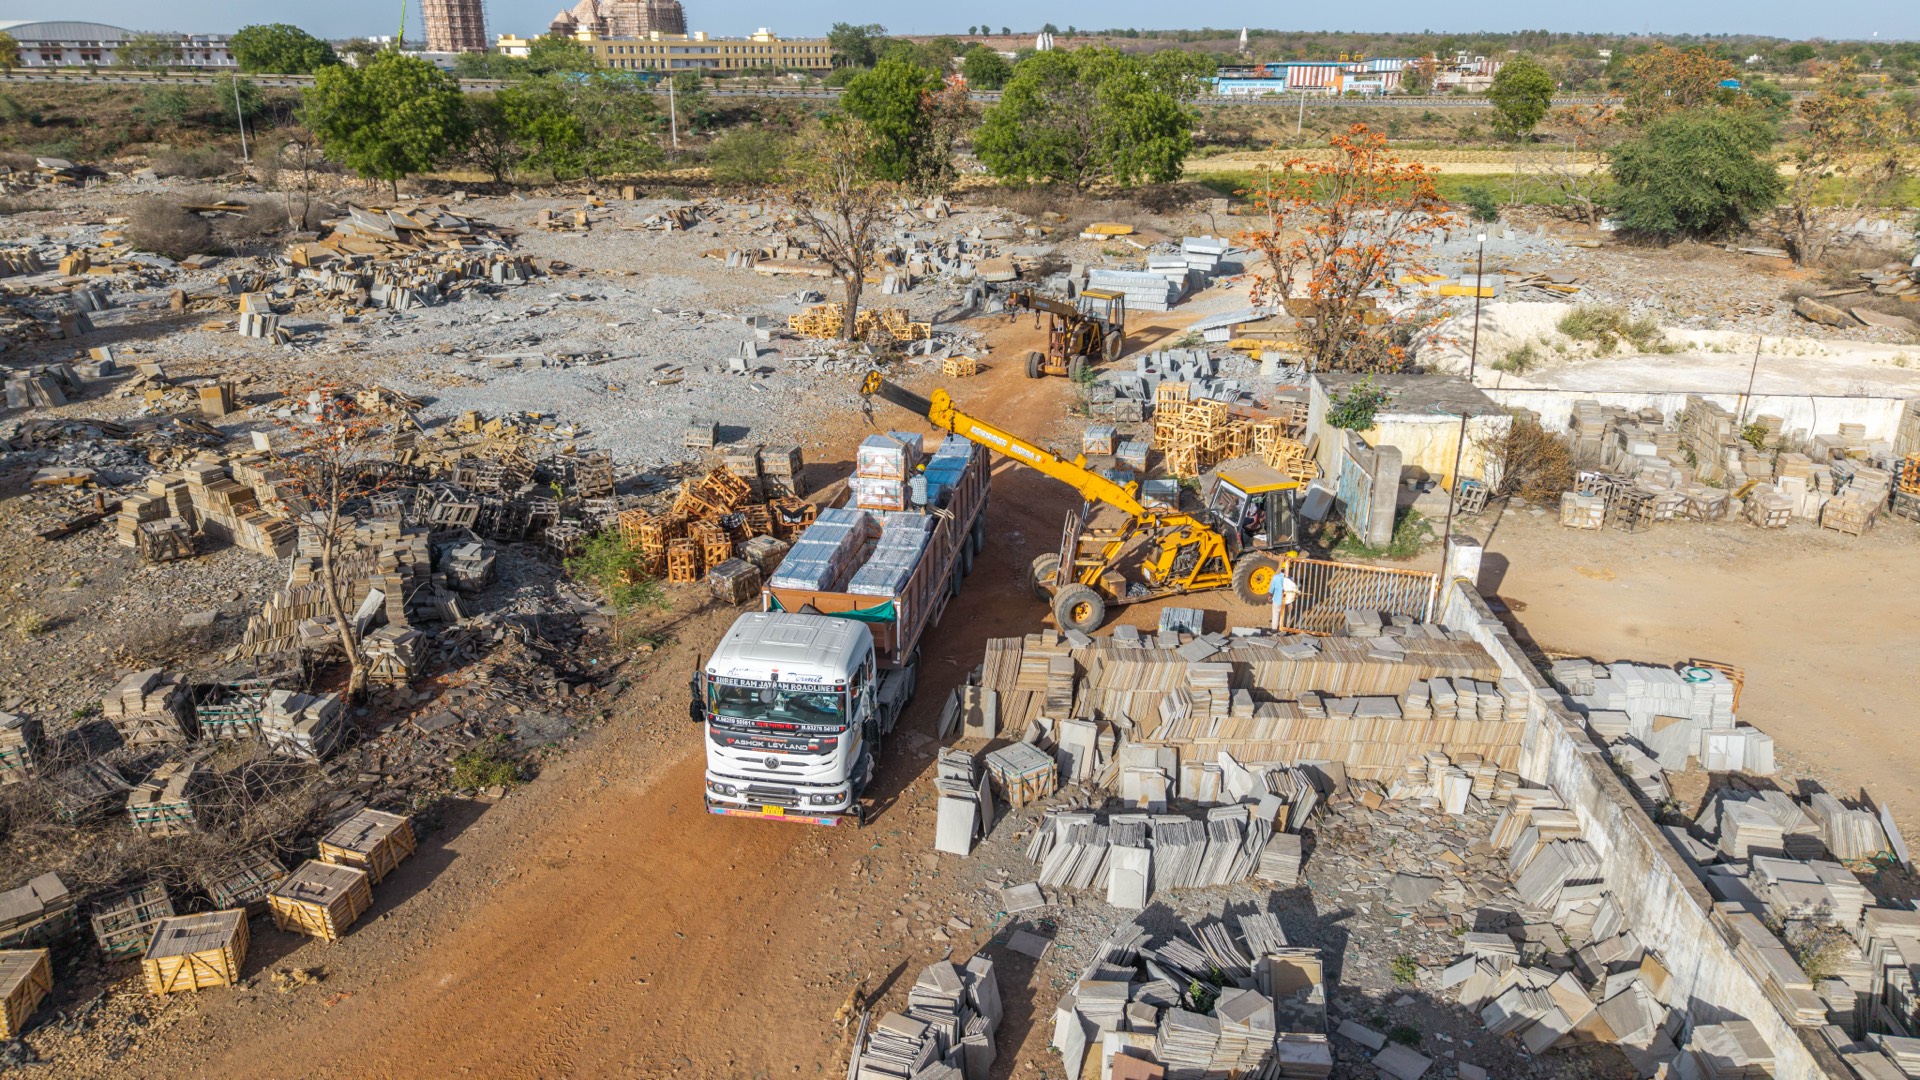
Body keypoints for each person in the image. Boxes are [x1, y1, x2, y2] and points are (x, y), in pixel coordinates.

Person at [1270, 566, 1301, 631]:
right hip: (1286, 600)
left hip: (1276, 599)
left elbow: (1271, 589)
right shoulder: (1291, 578)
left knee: (1275, 614)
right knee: (1284, 614)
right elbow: (1295, 588)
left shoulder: (1275, 577)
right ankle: (1283, 628)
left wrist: (1270, 596)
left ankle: (1274, 629)